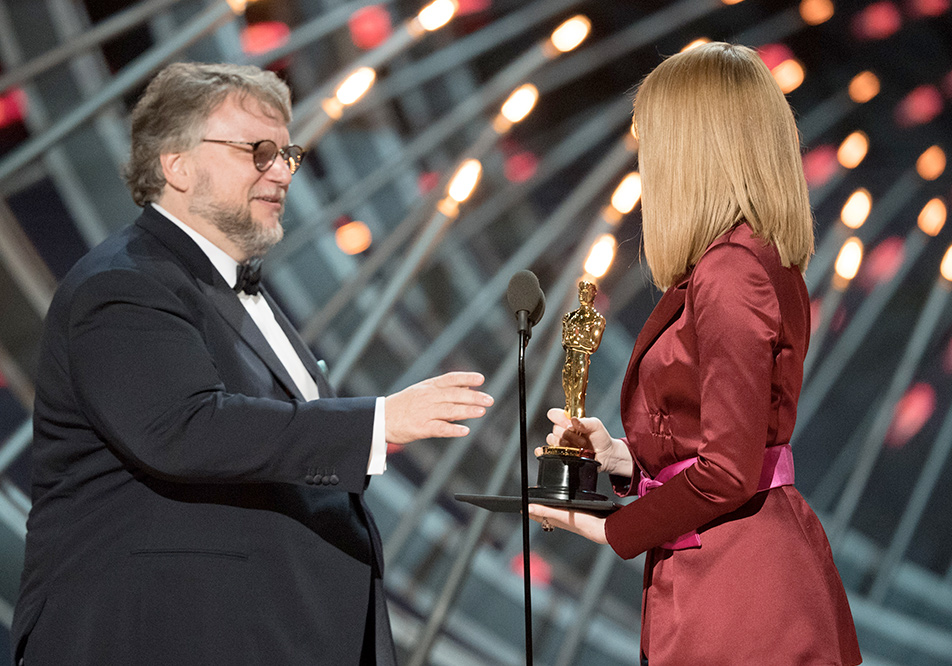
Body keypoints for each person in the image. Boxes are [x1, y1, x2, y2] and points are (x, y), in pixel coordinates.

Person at [11, 62, 493, 666]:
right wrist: (377, 422)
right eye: (257, 151)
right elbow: (183, 430)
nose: (283, 171)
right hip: (161, 638)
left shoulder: (230, 292)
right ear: (176, 164)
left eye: (287, 152)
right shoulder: (124, 284)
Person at [528, 43, 862, 665]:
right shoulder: (752, 260)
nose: (646, 166)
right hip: (735, 570)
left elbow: (730, 472)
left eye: (652, 145)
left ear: (692, 150)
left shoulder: (731, 273)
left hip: (739, 589)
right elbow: (722, 441)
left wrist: (608, 529)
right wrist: (626, 459)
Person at [560, 280, 606, 419]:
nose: (584, 296)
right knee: (567, 389)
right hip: (570, 359)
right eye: (582, 293)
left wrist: (576, 341)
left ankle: (575, 427)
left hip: (581, 360)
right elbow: (565, 340)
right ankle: (568, 426)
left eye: (587, 293)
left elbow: (592, 344)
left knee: (577, 395)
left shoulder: (597, 319)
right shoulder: (570, 316)